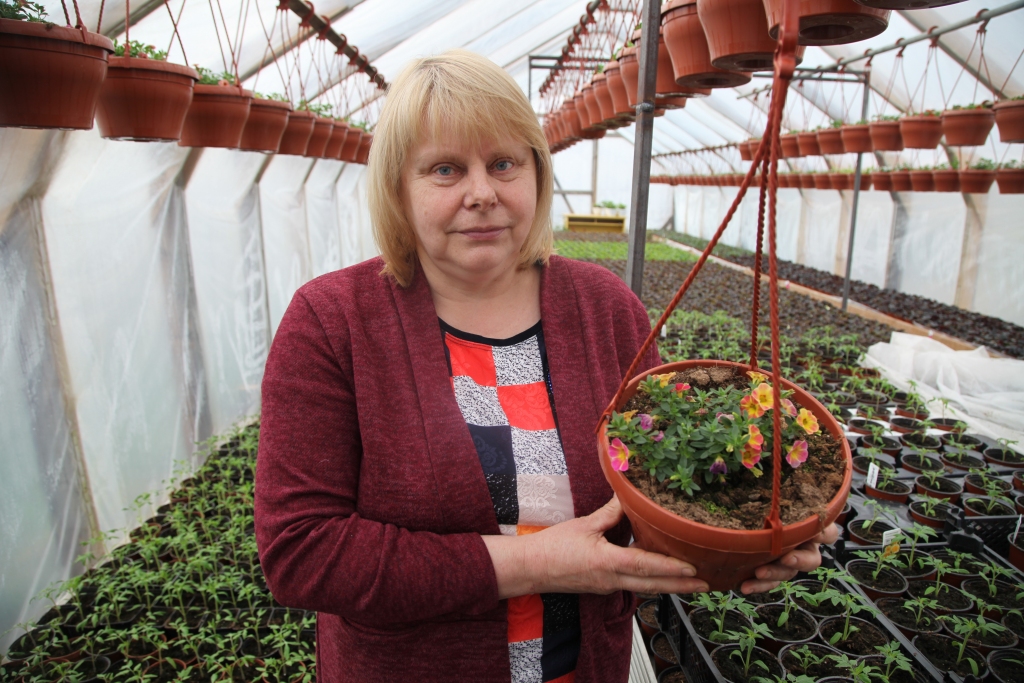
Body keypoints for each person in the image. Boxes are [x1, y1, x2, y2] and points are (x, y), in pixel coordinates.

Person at [254, 49, 838, 683]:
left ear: (536, 170)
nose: (482, 193)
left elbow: (658, 496)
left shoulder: (605, 310)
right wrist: (538, 564)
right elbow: (302, 552)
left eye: (504, 163)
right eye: (446, 169)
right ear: (399, 186)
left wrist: (749, 538)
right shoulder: (333, 321)